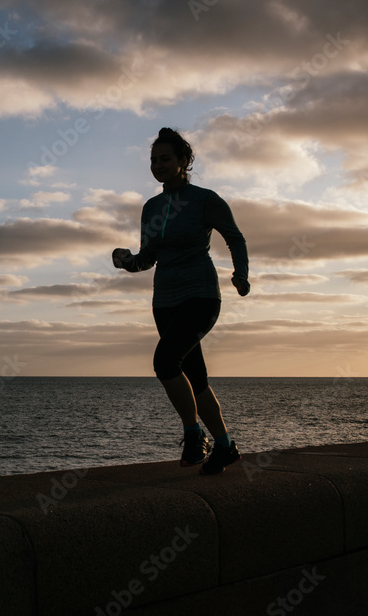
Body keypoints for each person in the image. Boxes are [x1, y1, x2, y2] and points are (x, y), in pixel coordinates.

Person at [112, 127, 250, 475]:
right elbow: (148, 257)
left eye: (165, 159)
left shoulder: (206, 200)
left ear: (184, 161)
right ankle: (225, 446)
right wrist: (127, 260)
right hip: (165, 301)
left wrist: (241, 275)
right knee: (196, 377)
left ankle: (193, 434)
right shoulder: (152, 207)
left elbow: (235, 238)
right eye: (153, 160)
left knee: (165, 361)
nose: (158, 165)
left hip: (201, 295)